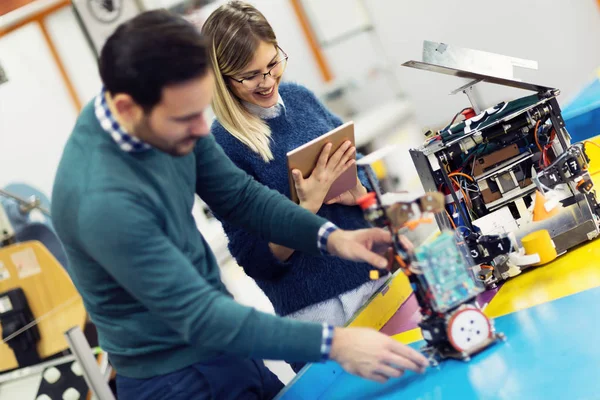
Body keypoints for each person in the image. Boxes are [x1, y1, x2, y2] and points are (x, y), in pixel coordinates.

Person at [50, 10, 428, 400]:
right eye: (187, 118)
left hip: (230, 345)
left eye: (202, 109)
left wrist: (331, 238)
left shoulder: (158, 109)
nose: (202, 131)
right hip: (172, 378)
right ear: (129, 110)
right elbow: (199, 316)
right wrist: (337, 345)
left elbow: (243, 198)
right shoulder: (101, 202)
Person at [202, 1, 406, 348]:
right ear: (222, 79)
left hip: (380, 277)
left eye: (272, 64)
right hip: (323, 314)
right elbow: (254, 260)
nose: (267, 82)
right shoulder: (222, 145)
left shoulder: (300, 98)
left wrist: (355, 189)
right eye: (250, 75)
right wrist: (305, 207)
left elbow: (367, 181)